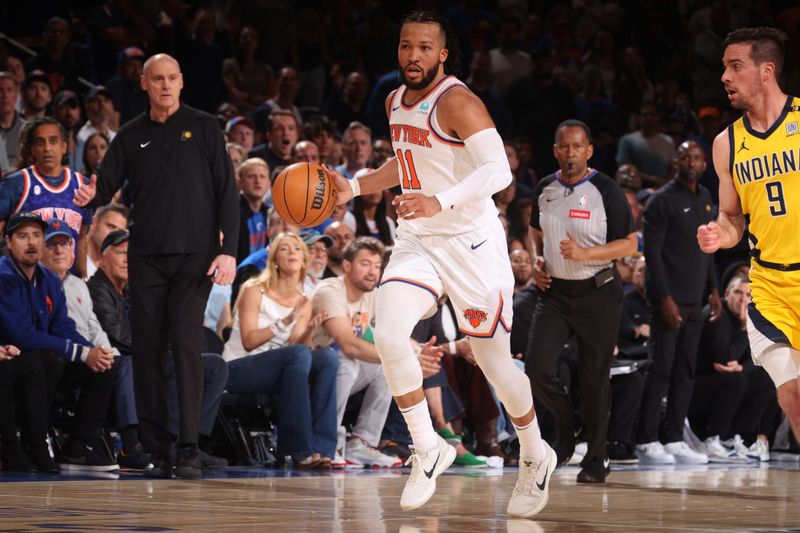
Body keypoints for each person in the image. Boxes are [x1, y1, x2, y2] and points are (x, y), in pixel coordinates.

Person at [328, 12, 552, 517]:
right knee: (388, 335)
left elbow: (499, 170)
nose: (413, 56)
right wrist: (357, 184)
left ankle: (536, 453)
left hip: (472, 244)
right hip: (420, 241)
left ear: (443, 53)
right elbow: (404, 162)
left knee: (494, 362)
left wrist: (439, 201)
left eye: (425, 48)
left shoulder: (458, 101)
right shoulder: (392, 101)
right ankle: (428, 447)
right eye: (406, 46)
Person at [73, 53, 240, 479]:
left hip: (195, 259)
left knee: (185, 343)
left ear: (181, 82)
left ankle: (187, 446)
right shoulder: (130, 135)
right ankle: (155, 446)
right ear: (144, 84)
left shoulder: (204, 126)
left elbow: (226, 191)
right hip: (146, 259)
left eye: (171, 79)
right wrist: (86, 195)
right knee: (146, 350)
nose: (165, 86)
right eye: (157, 79)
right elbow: (103, 185)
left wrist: (229, 251)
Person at [697, 27, 800, 446]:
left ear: (766, 71)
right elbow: (732, 218)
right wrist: (717, 234)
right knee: (792, 397)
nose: (724, 76)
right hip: (771, 285)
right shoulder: (727, 143)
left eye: (735, 66)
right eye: (724, 67)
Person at [526, 119, 637, 482]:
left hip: (598, 293)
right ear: (555, 150)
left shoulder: (607, 190)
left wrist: (585, 253)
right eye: (564, 146)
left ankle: (597, 457)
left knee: (593, 380)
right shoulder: (544, 187)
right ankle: (566, 427)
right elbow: (534, 230)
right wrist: (536, 261)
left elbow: (630, 244)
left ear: (589, 151)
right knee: (537, 366)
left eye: (577, 146)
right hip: (555, 292)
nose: (570, 152)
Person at [0, 212, 118, 472]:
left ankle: (79, 446)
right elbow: (23, 336)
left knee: (105, 365)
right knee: (42, 358)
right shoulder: (3, 276)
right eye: (22, 236)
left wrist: (91, 352)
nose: (31, 243)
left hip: (41, 365)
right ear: (8, 242)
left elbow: (63, 327)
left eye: (36, 236)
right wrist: (80, 352)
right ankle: (29, 444)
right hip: (11, 362)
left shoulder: (49, 280)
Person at [311, 237, 441, 468]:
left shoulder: (373, 294)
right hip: (314, 370)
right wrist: (408, 358)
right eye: (365, 264)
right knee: (346, 364)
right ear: (347, 266)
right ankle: (331, 441)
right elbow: (348, 344)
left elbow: (390, 334)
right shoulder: (330, 290)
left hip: (341, 370)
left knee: (386, 369)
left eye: (377, 265)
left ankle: (361, 443)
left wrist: (418, 352)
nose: (373, 272)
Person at [223, 232, 339, 467]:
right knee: (298, 355)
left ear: (304, 260)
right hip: (239, 368)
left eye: (297, 249)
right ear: (274, 259)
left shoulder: (303, 301)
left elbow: (297, 349)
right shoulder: (254, 289)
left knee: (327, 357)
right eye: (284, 249)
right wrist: (286, 321)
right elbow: (249, 341)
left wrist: (309, 331)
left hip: (277, 370)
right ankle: (298, 448)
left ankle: (322, 448)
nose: (292, 253)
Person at [638, 140, 721, 465]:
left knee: (685, 371)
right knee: (661, 370)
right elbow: (653, 255)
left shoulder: (705, 198)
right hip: (669, 301)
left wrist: (714, 290)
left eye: (697, 157)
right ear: (676, 162)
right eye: (685, 156)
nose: (691, 161)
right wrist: (663, 298)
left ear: (704, 165)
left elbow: (709, 249)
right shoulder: (661, 201)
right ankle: (646, 439)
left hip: (695, 299)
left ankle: (673, 437)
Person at [0, 117, 93, 277]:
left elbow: (82, 236)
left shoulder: (82, 185)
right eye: (40, 142)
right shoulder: (16, 184)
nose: (47, 148)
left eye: (53, 141)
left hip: (67, 280)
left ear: (64, 147)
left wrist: (82, 277)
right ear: (32, 150)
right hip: (25, 280)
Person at [235, 157, 270, 264]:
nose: (258, 181)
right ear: (240, 183)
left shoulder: (270, 213)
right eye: (251, 176)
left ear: (269, 183)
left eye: (262, 176)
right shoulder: (231, 211)